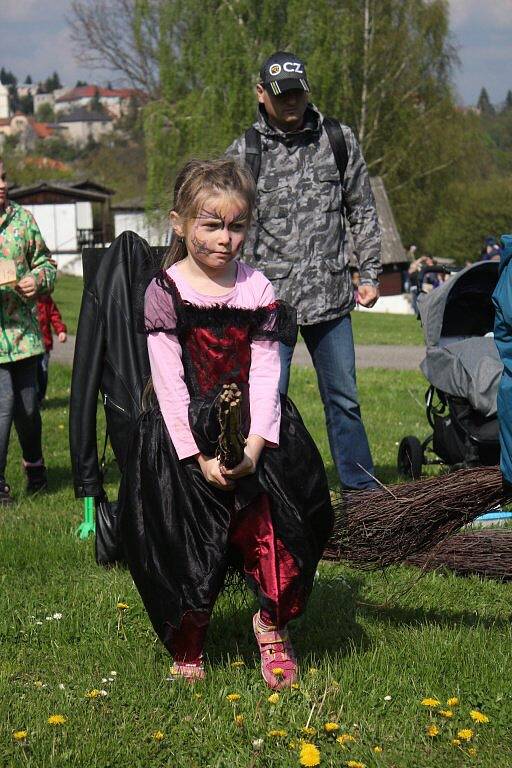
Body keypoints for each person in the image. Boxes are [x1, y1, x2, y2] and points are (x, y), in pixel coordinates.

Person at [119, 158, 334, 687]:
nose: (224, 238)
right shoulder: (164, 292)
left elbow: (266, 374)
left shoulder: (257, 288)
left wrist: (255, 448)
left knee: (279, 532)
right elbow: (169, 385)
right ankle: (188, 644)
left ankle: (271, 625)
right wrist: (201, 458)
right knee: (185, 547)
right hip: (185, 437)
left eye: (237, 226)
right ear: (179, 223)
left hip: (258, 430)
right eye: (210, 225)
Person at [226, 51, 381, 491]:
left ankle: (363, 495)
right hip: (270, 306)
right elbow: (223, 219)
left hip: (331, 299)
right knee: (267, 401)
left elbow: (362, 210)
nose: (291, 101)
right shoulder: (244, 152)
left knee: (344, 401)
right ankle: (272, 492)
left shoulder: (337, 139)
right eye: (281, 94)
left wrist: (368, 273)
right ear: (262, 94)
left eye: (297, 92)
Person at [0, 158, 56, 502]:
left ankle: (34, 467)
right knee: (2, 406)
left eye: (3, 177)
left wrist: (37, 280)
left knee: (28, 408)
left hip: (24, 337)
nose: (2, 184)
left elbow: (46, 264)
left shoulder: (23, 220)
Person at [36, 294, 67, 402]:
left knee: (42, 371)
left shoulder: (45, 299)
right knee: (29, 374)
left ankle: (40, 398)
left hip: (44, 344)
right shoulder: (21, 297)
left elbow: (54, 315)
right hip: (27, 347)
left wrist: (60, 330)